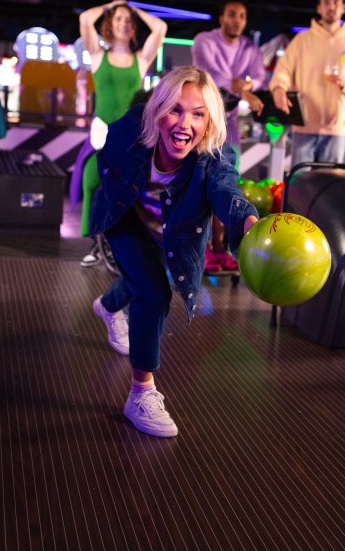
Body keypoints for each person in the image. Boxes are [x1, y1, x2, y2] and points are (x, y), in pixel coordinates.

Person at [88, 66, 260, 438]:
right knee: (154, 291)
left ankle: (109, 305)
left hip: (172, 229)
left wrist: (246, 222)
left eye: (198, 114)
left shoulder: (214, 157)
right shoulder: (132, 130)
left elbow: (227, 190)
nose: (185, 123)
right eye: (175, 110)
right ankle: (141, 393)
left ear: (210, 119)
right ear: (157, 110)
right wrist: (117, 197)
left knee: (144, 277)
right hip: (127, 217)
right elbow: (107, 161)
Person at [77, 0, 167, 266]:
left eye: (128, 21)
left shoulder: (140, 60)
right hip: (102, 134)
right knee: (92, 180)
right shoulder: (97, 56)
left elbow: (160, 26)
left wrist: (135, 9)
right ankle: (96, 241)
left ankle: (121, 246)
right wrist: (110, 6)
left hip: (131, 135)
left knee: (128, 188)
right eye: (118, 19)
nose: (124, 24)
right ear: (109, 23)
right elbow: (84, 18)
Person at [191, 0, 267, 272]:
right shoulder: (204, 40)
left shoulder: (250, 48)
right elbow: (210, 75)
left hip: (229, 122)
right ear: (222, 17)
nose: (237, 20)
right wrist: (245, 89)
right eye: (232, 14)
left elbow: (260, 76)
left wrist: (247, 85)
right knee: (200, 187)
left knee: (225, 183)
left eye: (242, 16)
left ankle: (219, 249)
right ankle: (201, 247)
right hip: (202, 120)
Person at [268, 0, 345, 166]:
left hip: (337, 127)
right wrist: (279, 89)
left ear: (343, 7)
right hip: (304, 123)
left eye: (336, 2)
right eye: (326, 2)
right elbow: (283, 70)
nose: (331, 6)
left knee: (330, 183)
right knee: (300, 183)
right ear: (319, 8)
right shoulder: (302, 40)